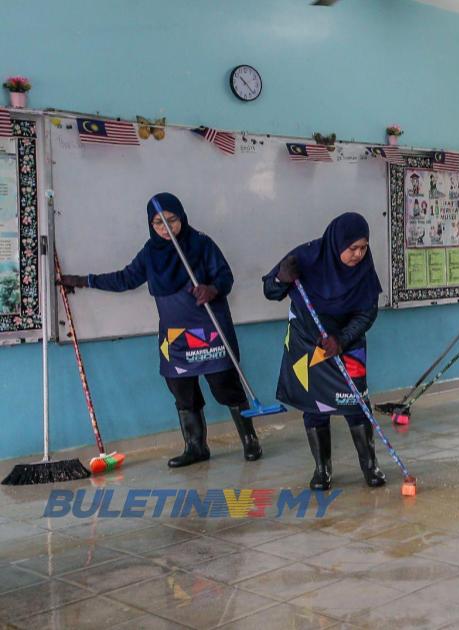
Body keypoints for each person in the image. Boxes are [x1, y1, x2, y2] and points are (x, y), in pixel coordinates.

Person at [58, 192, 261, 467]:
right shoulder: (150, 252)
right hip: (175, 337)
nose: (166, 229)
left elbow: (225, 276)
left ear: (182, 217)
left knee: (225, 387)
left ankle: (250, 441)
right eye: (158, 223)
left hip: (209, 330)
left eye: (172, 220)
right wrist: (83, 281)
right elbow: (125, 278)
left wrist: (212, 289)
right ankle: (195, 447)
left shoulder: (201, 244)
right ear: (150, 225)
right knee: (182, 391)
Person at [263, 212, 384, 490]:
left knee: (356, 404)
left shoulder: (364, 268)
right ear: (336, 243)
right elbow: (270, 291)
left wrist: (341, 339)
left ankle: (370, 466)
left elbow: (368, 312)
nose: (358, 254)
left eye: (363, 247)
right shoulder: (305, 257)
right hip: (308, 342)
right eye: (352, 248)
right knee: (314, 406)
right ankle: (322, 469)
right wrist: (281, 278)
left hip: (346, 342)